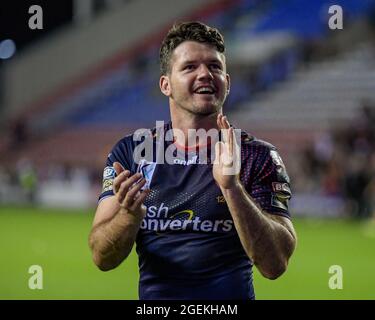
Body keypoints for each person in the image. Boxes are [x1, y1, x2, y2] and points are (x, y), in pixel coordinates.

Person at [88, 21, 297, 300]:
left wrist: (232, 188)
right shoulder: (132, 152)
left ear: (227, 82)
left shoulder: (257, 156)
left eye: (214, 66)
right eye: (190, 67)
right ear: (166, 84)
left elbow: (275, 265)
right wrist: (129, 215)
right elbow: (102, 257)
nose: (205, 75)